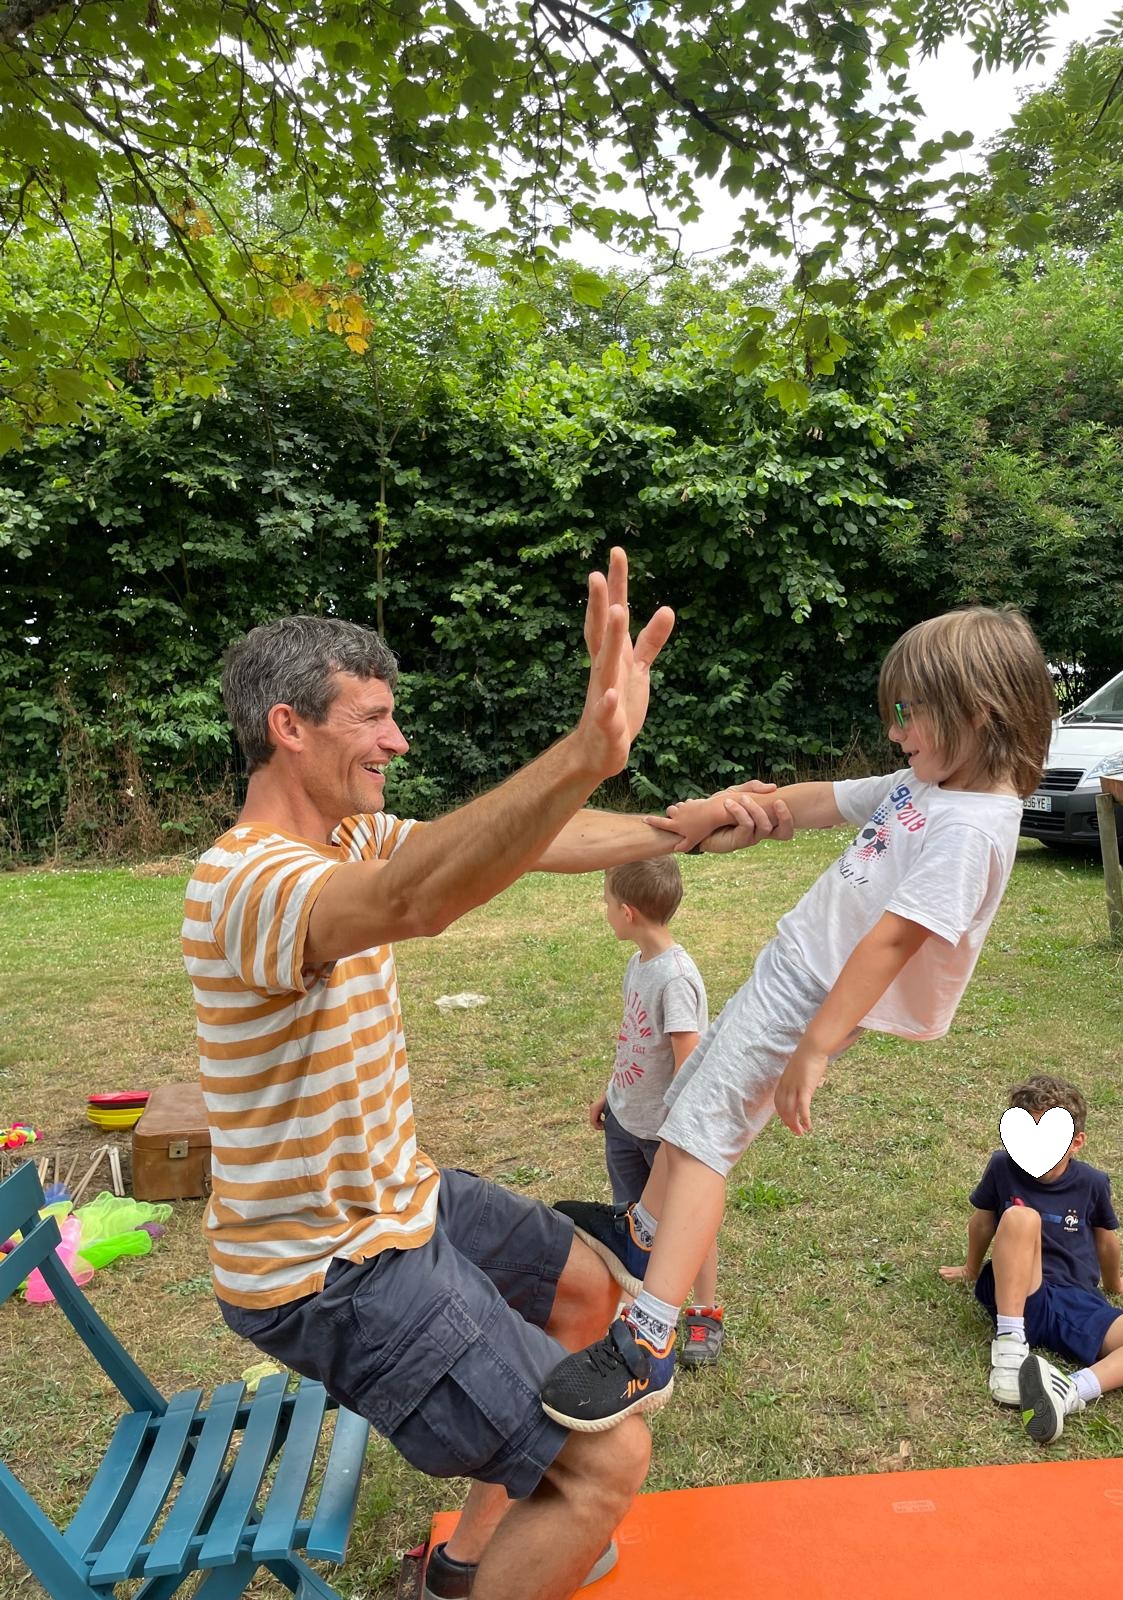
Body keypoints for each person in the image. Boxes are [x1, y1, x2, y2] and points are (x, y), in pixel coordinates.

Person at [181, 550, 791, 1600]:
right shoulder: (246, 880)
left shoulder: (351, 835)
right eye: (373, 718)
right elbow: (417, 899)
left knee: (590, 1290)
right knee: (610, 1462)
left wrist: (679, 826)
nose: (397, 740)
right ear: (289, 726)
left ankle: (465, 1566)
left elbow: (532, 839)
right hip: (329, 1268)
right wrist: (584, 752)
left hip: (397, 1200)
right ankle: (520, 1542)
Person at [540, 605, 1059, 1433]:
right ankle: (641, 1230)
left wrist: (817, 1042)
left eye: (908, 713)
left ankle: (648, 1339)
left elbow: (896, 939)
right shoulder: (934, 783)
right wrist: (736, 814)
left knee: (705, 1137)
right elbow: (828, 801)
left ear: (978, 712)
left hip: (814, 996)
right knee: (692, 1101)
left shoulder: (974, 826)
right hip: (793, 968)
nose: (894, 732)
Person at [939, 1072, 1123, 1444]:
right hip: (1020, 1292)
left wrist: (1115, 1285)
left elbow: (1106, 1243)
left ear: (1076, 1142)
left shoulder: (1092, 1183)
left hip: (1078, 1304)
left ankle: (1068, 1391)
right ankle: (1010, 1349)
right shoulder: (1002, 1166)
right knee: (1021, 1217)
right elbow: (982, 1223)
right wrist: (971, 1268)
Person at [589, 856, 724, 1367]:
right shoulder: (639, 964)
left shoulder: (675, 979)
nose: (604, 910)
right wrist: (612, 1092)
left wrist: (675, 1136)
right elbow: (635, 1040)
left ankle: (704, 1312)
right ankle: (642, 1308)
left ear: (627, 913)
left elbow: (688, 1063)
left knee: (686, 1224)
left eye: (606, 902)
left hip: (665, 1136)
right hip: (626, 1122)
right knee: (632, 1223)